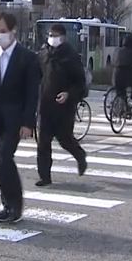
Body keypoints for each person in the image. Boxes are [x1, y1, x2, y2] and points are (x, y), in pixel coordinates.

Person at [0, 11, 40, 224]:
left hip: (15, 117)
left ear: (13, 31)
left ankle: (15, 206)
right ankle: (7, 204)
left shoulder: (28, 57)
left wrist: (28, 123)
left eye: (3, 31)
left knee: (5, 158)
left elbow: (33, 94)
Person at [35, 24, 88, 186]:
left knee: (65, 139)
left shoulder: (70, 56)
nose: (52, 38)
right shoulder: (43, 54)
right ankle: (45, 176)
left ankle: (80, 155)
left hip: (64, 108)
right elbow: (37, 76)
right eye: (50, 34)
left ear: (63, 37)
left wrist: (68, 94)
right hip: (45, 105)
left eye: (55, 35)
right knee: (43, 142)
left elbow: (80, 83)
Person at [113, 33, 132, 107]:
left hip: (116, 75)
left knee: (121, 93)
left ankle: (121, 109)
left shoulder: (117, 51)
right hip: (129, 75)